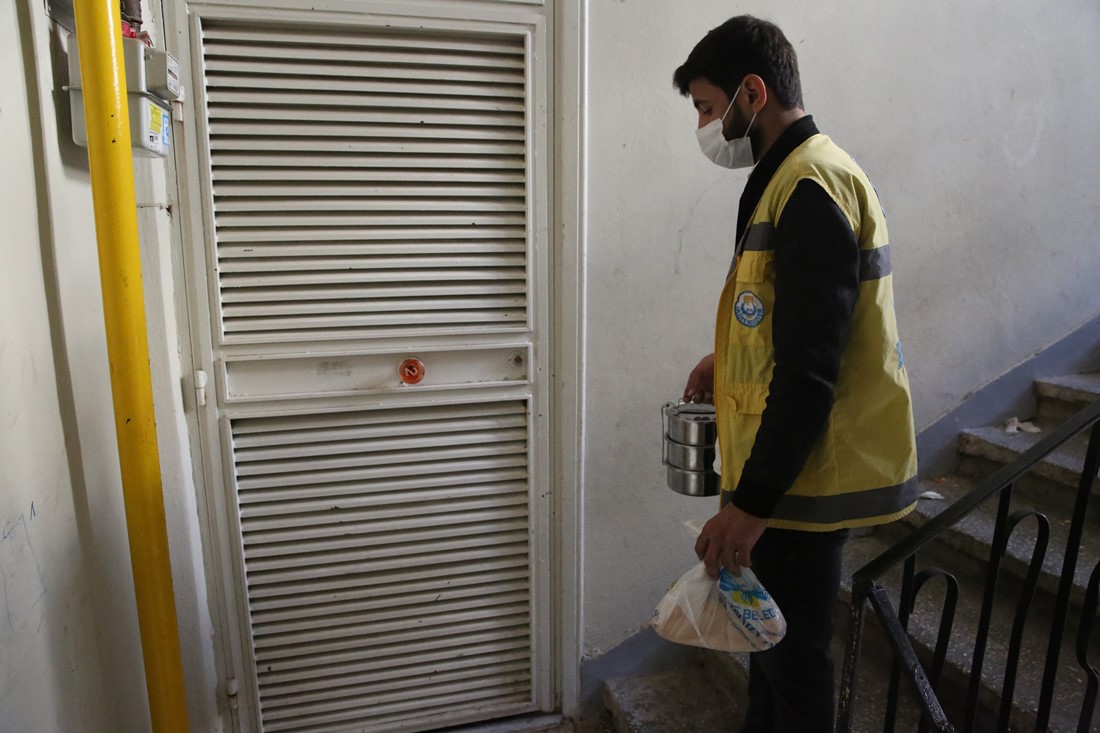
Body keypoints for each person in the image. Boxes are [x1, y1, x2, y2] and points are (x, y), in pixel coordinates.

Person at [673, 15, 919, 733]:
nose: (704, 126)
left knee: (794, 667)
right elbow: (791, 320)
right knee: (769, 659)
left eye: (707, 107)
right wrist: (727, 359)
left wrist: (749, 506)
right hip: (784, 480)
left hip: (800, 486)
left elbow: (811, 370)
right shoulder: (787, 176)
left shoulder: (811, 185)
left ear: (754, 93)